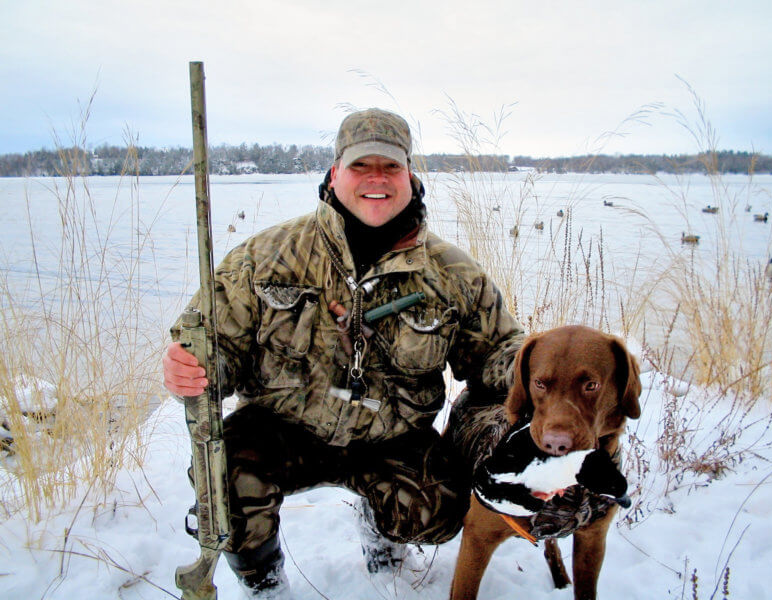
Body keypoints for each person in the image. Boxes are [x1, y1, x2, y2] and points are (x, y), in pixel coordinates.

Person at [163, 108, 524, 599]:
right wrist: (193, 365)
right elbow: (214, 346)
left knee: (438, 507)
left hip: (391, 436)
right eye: (360, 166)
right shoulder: (265, 258)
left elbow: (500, 356)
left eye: (390, 167)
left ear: (410, 176)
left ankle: (381, 531)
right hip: (282, 429)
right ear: (335, 174)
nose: (376, 179)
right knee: (224, 482)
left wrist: (545, 366)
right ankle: (264, 582)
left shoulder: (453, 274)